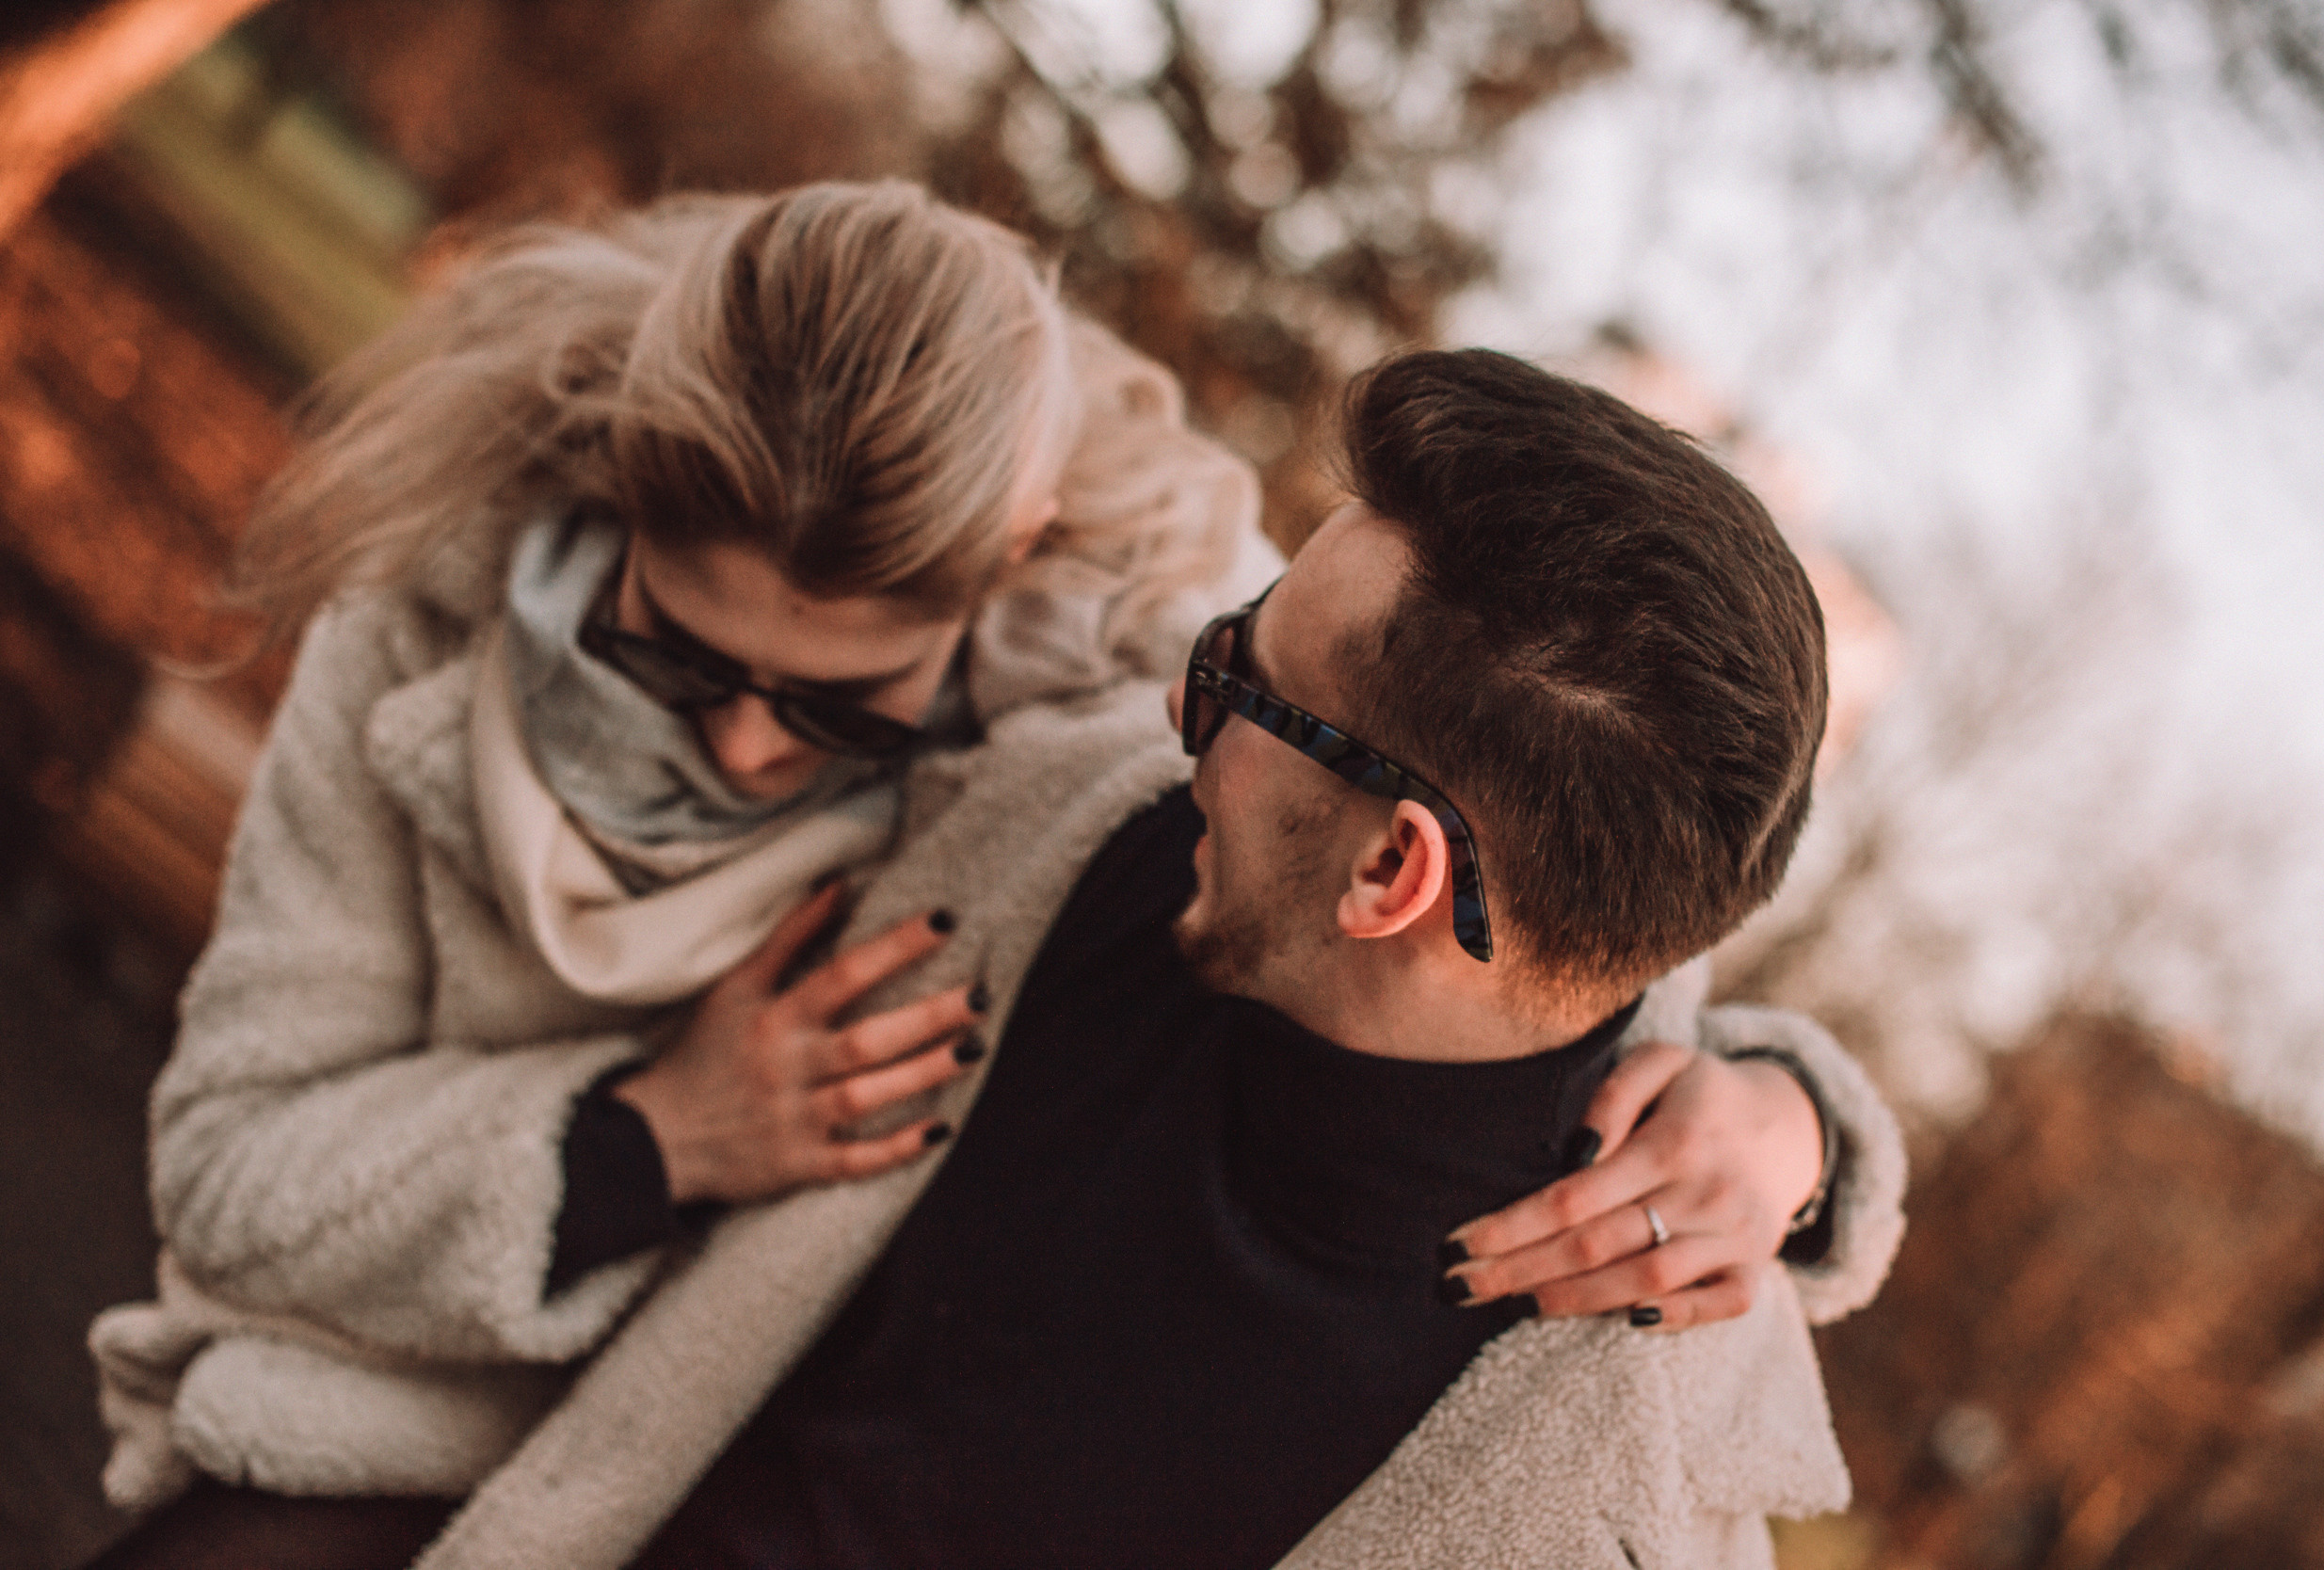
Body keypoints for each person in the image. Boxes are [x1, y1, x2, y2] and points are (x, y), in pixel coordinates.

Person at [86, 187, 1896, 1564]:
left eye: (1236, 682)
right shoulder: (1065, 831)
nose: (1178, 709)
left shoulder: (1591, 1465)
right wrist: (653, 1136)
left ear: (1390, 876)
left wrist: (1798, 1130)